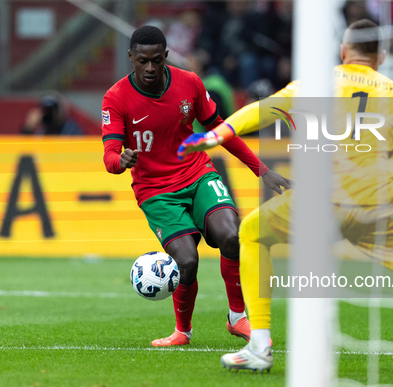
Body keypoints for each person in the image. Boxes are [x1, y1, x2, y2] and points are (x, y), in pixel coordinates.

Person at [178, 19, 393, 380]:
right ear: (380, 57)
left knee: (253, 232)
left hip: (319, 202)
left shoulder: (319, 81)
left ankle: (259, 345)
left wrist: (219, 133)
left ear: (342, 51)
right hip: (376, 205)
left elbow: (264, 109)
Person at [101, 25, 291, 347]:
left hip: (197, 173)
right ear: (131, 58)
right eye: (143, 61)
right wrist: (123, 161)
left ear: (166, 57)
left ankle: (237, 317)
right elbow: (109, 156)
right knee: (187, 262)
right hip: (156, 191)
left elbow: (220, 128)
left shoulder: (189, 83)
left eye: (157, 60)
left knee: (233, 235)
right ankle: (182, 332)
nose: (150, 68)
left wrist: (262, 171)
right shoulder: (116, 98)